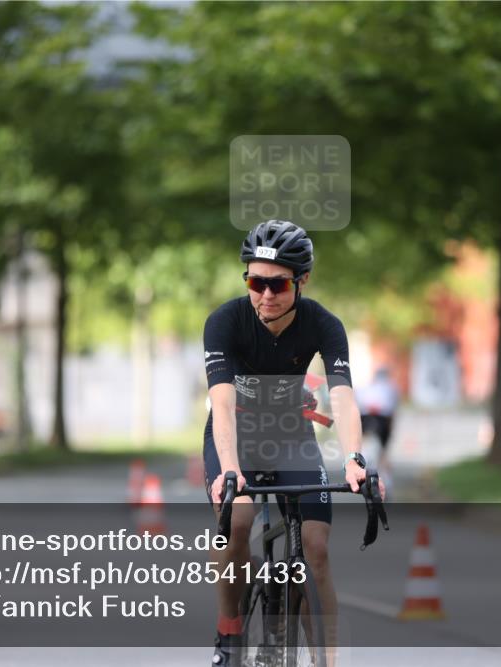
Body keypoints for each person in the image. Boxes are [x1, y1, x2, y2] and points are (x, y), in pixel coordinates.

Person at [204, 220, 383, 666]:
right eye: (255, 282)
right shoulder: (225, 322)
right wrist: (230, 470)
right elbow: (221, 405)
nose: (266, 294)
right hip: (236, 439)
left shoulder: (324, 324)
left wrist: (355, 459)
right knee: (238, 522)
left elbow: (341, 397)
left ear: (301, 281)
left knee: (316, 549)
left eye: (278, 284)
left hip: (292, 437)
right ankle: (229, 634)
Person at [355, 366, 400, 479]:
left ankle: (368, 466)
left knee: (372, 447)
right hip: (379, 419)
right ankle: (383, 468)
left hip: (370, 418)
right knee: (382, 453)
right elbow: (392, 411)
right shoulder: (391, 388)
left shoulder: (364, 388)